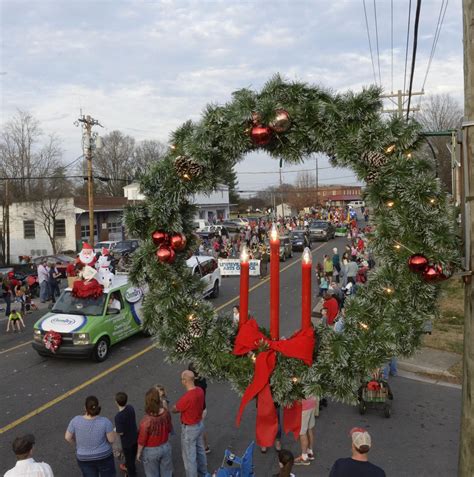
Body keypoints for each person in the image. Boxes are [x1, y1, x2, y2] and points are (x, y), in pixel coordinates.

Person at [65, 395, 116, 476]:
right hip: (104, 456)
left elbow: (67, 437)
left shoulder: (76, 420)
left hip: (84, 457)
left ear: (85, 408)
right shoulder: (105, 422)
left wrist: (77, 444)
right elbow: (111, 440)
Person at [172, 370, 207, 477]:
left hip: (189, 429)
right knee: (201, 451)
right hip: (199, 425)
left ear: (185, 381)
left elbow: (175, 409)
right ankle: (204, 473)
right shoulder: (200, 391)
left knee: (189, 458)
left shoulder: (186, 398)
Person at [137, 387, 173, 477]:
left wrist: (139, 452)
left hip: (151, 451)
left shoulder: (146, 420)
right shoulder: (166, 413)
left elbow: (142, 440)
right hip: (165, 446)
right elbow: (169, 428)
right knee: (167, 473)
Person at [114, 392, 138, 477]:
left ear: (116, 402)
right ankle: (128, 465)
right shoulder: (130, 408)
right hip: (135, 437)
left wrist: (115, 430)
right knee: (133, 455)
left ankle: (131, 473)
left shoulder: (118, 417)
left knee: (129, 459)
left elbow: (121, 432)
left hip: (127, 443)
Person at [294, 396, 318, 465]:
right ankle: (310, 452)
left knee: (302, 432)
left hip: (303, 406)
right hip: (312, 402)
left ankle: (304, 457)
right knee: (309, 429)